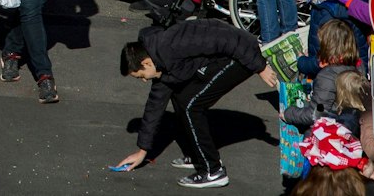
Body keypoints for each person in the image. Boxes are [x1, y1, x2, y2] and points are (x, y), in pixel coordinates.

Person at [116, 17, 278, 188]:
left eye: (141, 76)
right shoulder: (158, 60)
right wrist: (142, 151)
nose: (143, 80)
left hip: (240, 53)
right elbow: (154, 106)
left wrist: (259, 66)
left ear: (146, 63)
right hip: (220, 57)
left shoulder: (172, 43)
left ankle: (213, 171)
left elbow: (225, 39)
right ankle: (197, 155)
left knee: (191, 107)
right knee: (180, 98)